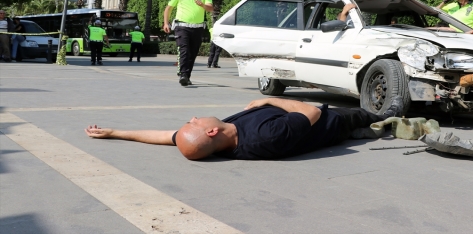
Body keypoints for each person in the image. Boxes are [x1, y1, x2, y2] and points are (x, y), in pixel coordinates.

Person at [85, 97, 404, 161]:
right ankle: (387, 116)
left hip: (284, 119)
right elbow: (309, 111)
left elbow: (162, 137)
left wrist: (114, 132)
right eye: (193, 123)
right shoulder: (267, 138)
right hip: (330, 124)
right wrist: (268, 99)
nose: (194, 117)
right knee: (359, 116)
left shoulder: (218, 137)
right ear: (210, 133)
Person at [163, 0, 213, 86]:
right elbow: (168, 9)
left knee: (192, 53)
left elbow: (210, 8)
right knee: (184, 50)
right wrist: (166, 23)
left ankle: (187, 76)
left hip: (198, 28)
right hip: (182, 27)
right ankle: (183, 75)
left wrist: (202, 5)